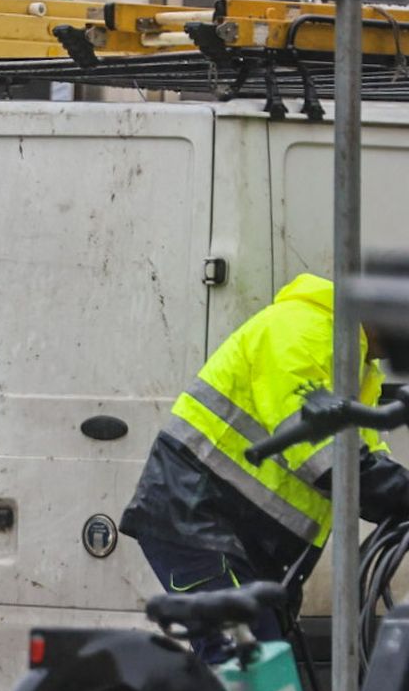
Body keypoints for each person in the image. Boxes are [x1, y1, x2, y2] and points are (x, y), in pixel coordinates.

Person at [121, 273, 409, 644]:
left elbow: (368, 459)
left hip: (234, 533)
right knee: (251, 662)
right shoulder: (304, 333)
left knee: (267, 664)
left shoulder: (356, 363)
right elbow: (329, 460)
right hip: (196, 519)